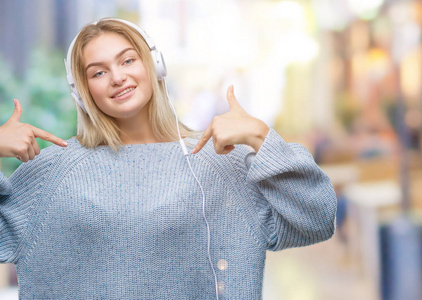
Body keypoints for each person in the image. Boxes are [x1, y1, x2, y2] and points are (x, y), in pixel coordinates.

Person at [0, 18, 337, 299]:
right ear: (82, 90)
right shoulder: (52, 175)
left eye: (127, 60)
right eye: (98, 72)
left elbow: (315, 221)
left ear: (153, 64)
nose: (117, 77)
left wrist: (262, 139)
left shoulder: (222, 163)